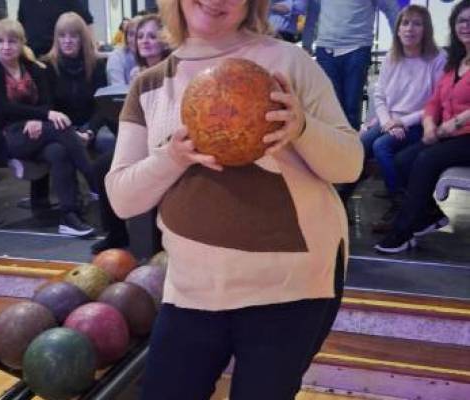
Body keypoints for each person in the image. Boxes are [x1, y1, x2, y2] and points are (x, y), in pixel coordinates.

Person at [105, 1, 363, 399]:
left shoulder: (288, 64)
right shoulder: (150, 86)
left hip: (291, 288)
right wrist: (171, 157)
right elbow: (122, 199)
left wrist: (302, 128)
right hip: (192, 287)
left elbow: (349, 164)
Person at [0, 19, 97, 237]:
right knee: (62, 129)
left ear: (22, 42)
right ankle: (95, 181)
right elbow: (0, 107)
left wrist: (39, 119)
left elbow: (47, 101)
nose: (6, 46)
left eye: (12, 41)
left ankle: (69, 216)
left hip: (33, 133)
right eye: (0, 41)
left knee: (58, 152)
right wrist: (43, 116)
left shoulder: (33, 67)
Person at [338, 5, 446, 229]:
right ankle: (340, 200)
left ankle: (400, 205)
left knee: (381, 147)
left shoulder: (437, 59)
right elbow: (379, 95)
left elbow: (435, 103)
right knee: (360, 144)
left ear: (426, 30)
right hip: (389, 121)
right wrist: (387, 121)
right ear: (397, 29)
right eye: (405, 23)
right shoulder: (392, 56)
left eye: (417, 24)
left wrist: (401, 122)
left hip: (419, 122)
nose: (410, 29)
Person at [375, 0, 470, 254]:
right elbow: (434, 100)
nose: (466, 26)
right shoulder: (456, 61)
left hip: (465, 135)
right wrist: (429, 124)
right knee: (403, 160)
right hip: (448, 134)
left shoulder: (441, 59)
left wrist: (455, 122)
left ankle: (402, 231)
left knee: (425, 159)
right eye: (462, 21)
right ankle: (428, 214)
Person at [91, 14, 170, 254]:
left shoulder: (172, 70)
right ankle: (116, 233)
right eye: (140, 36)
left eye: (152, 36)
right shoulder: (136, 72)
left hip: (166, 140)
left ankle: (161, 242)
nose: (144, 41)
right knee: (103, 165)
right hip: (141, 137)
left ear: (166, 40)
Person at [315, 0, 400, 130]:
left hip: (357, 47)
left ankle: (351, 147)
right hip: (325, 49)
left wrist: (400, 43)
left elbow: (391, 8)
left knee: (351, 107)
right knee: (331, 108)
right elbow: (312, 8)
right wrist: (307, 41)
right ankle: (333, 147)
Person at [42, 12, 108, 149]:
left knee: (106, 140)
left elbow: (102, 106)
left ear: (82, 39)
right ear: (56, 39)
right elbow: (47, 107)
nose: (67, 40)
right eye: (62, 36)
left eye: (73, 36)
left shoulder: (98, 64)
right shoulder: (47, 66)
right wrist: (69, 132)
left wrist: (90, 131)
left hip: (91, 125)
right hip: (61, 127)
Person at [18, 0, 93, 57]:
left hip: (59, 59)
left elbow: (87, 21)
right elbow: (20, 26)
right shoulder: (24, 1)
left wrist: (92, 49)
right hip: (32, 59)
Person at [106, 16, 140, 85]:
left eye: (140, 35)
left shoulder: (151, 56)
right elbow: (118, 92)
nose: (135, 39)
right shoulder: (116, 57)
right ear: (126, 37)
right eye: (131, 34)